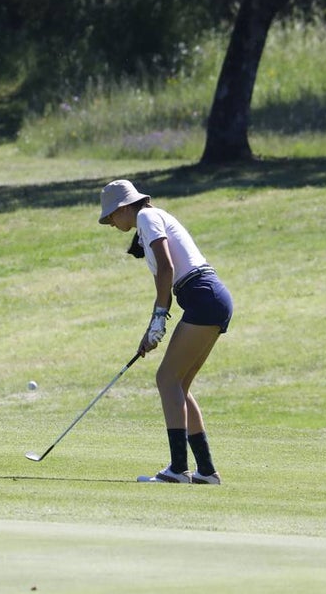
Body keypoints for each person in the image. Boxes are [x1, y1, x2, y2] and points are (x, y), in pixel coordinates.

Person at [99, 179, 234, 484]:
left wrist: (158, 319)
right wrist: (154, 324)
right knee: (179, 384)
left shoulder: (146, 217)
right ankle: (206, 471)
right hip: (210, 297)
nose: (110, 223)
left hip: (202, 294)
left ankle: (178, 469)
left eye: (110, 216)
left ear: (123, 208)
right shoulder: (152, 217)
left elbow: (167, 268)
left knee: (166, 379)